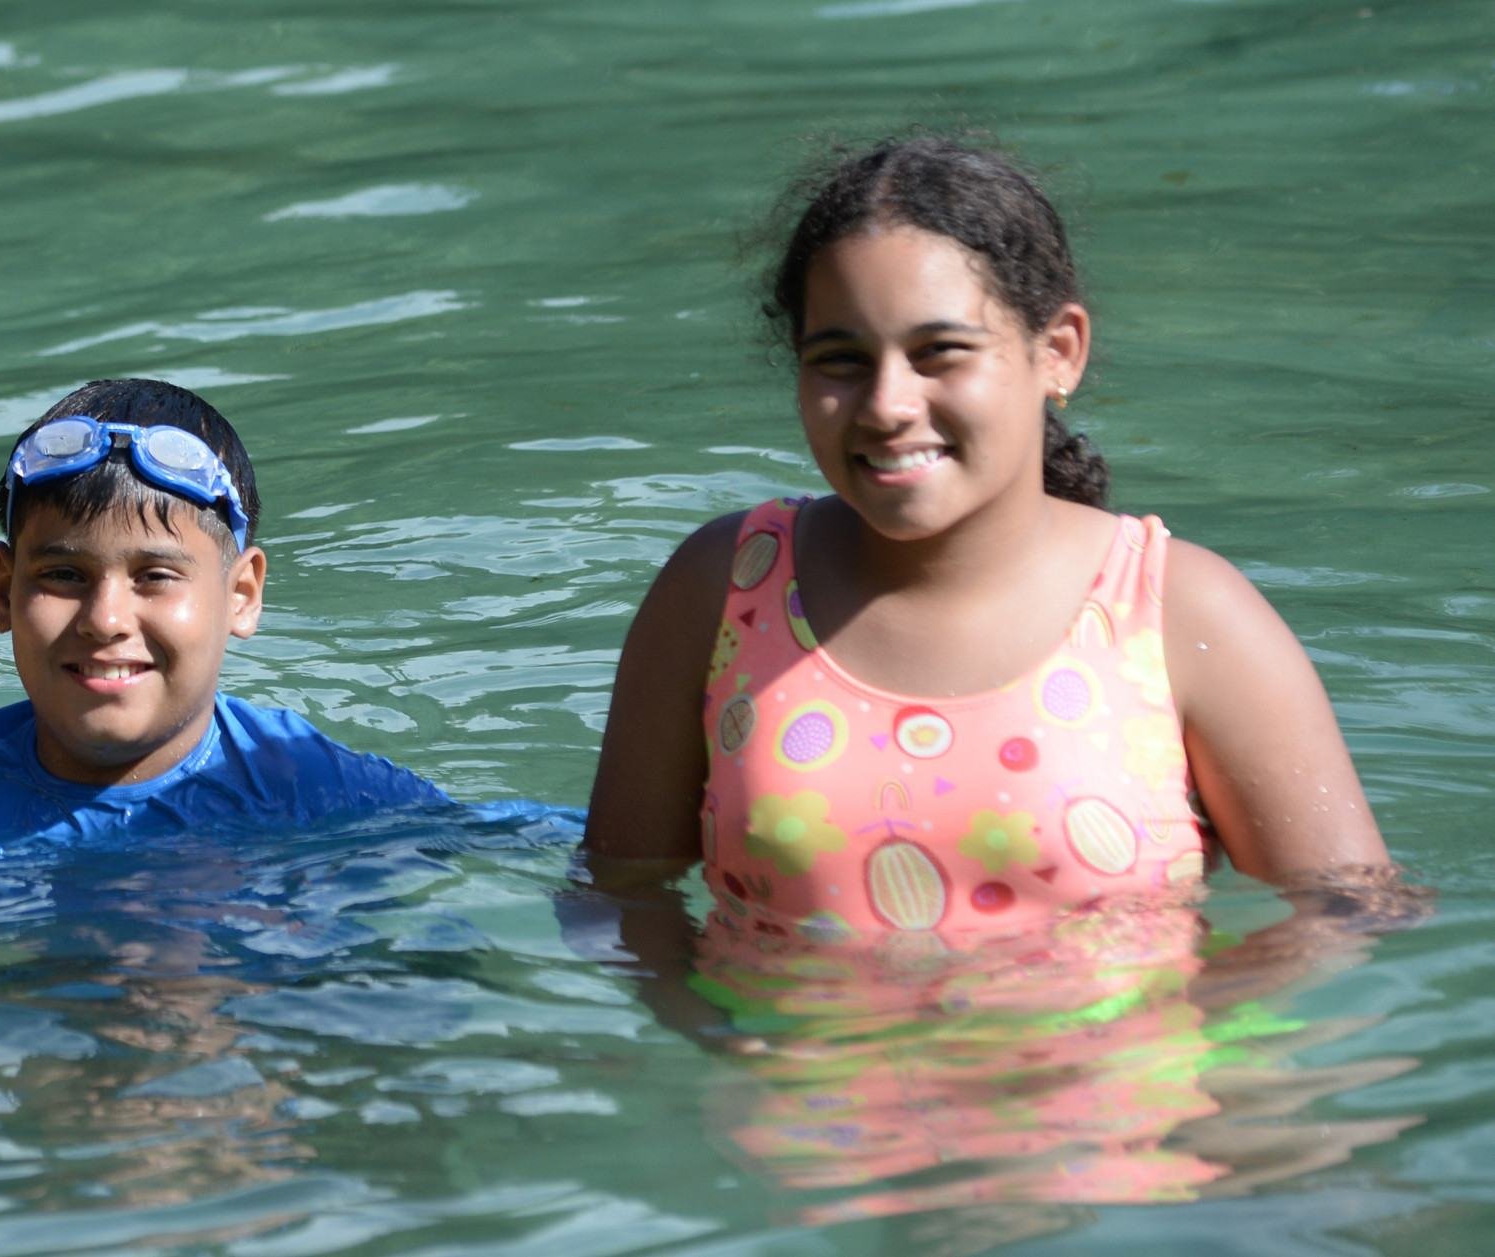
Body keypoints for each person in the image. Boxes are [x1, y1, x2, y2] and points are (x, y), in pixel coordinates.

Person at [583, 134, 1389, 933]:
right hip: (787, 1064)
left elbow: (1348, 911)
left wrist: (1147, 1051)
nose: (886, 403)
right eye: (839, 359)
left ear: (1059, 352)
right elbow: (620, 895)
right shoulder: (724, 588)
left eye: (940, 351)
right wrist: (713, 1043)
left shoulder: (1182, 612)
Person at [0, 378, 517, 888]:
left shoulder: (326, 794)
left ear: (241, 595)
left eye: (155, 576)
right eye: (64, 575)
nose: (105, 618)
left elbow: (544, 866)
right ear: (5, 589)